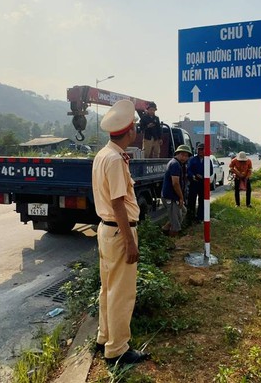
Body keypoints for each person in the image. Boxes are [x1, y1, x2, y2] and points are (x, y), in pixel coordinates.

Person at [91, 99, 150, 366]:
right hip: (118, 232)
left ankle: (104, 337)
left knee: (108, 288)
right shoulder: (114, 159)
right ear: (130, 131)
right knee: (122, 293)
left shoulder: (104, 154)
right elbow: (117, 202)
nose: (136, 129)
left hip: (106, 231)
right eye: (135, 126)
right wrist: (130, 241)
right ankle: (117, 349)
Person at [161, 144, 192, 236]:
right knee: (176, 225)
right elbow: (175, 183)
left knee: (183, 211)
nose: (184, 157)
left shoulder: (179, 164)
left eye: (186, 156)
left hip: (174, 197)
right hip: (172, 197)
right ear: (177, 154)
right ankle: (172, 242)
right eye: (182, 154)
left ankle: (165, 229)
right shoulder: (175, 164)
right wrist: (181, 197)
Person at [186, 143, 212, 223]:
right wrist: (193, 176)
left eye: (202, 149)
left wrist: (203, 176)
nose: (200, 151)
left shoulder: (208, 160)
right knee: (191, 200)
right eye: (199, 149)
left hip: (203, 183)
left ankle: (200, 217)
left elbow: (210, 171)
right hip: (194, 183)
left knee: (202, 201)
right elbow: (188, 170)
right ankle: (190, 217)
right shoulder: (192, 159)